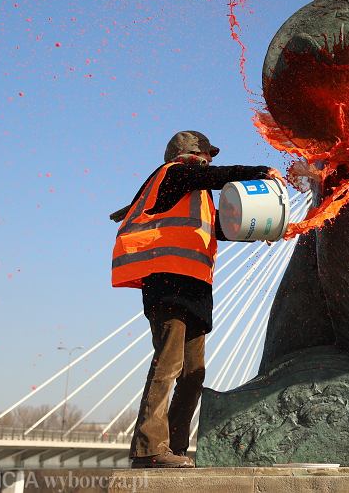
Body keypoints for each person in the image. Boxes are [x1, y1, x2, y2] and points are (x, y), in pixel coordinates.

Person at [110, 131, 284, 468]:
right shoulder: (174, 176)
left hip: (194, 289)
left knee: (193, 373)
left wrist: (266, 228)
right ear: (189, 155)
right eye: (205, 155)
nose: (209, 161)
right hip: (169, 283)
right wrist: (260, 172)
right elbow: (214, 176)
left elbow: (222, 227)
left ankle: (174, 448)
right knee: (168, 364)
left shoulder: (194, 196)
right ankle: (149, 449)